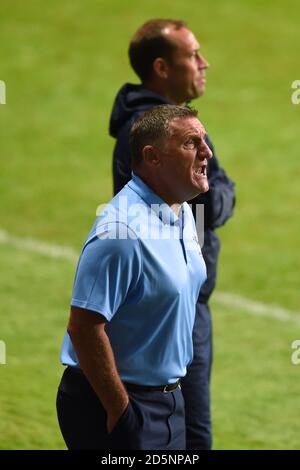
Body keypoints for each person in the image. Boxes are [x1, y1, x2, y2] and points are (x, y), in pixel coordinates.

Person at [109, 19, 236, 450]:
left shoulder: (179, 126)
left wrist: (213, 198)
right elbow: (205, 199)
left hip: (182, 296)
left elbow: (214, 191)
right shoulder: (149, 132)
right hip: (170, 306)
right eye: (193, 55)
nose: (205, 63)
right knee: (187, 436)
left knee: (188, 432)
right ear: (162, 68)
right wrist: (214, 201)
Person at [56, 105, 213, 450]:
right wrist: (120, 410)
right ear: (152, 157)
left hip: (169, 400)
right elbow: (83, 327)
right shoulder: (121, 231)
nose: (207, 151)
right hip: (116, 401)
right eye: (191, 142)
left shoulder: (184, 210)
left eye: (203, 139)